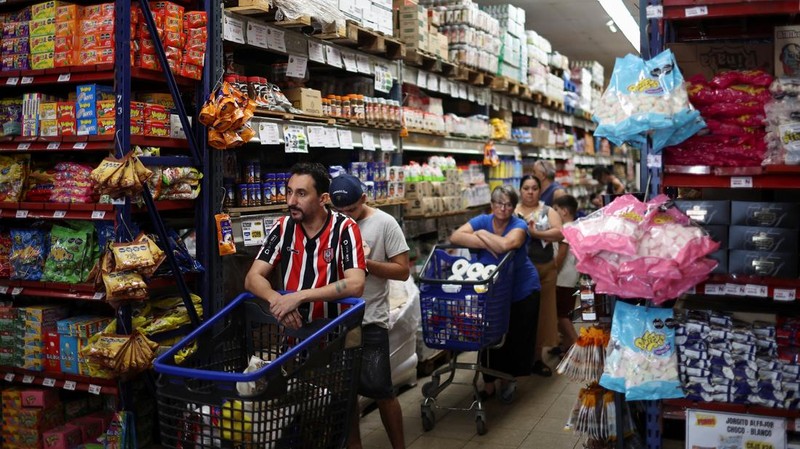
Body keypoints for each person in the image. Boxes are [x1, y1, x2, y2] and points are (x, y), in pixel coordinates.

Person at [329, 174, 409, 449]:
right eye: (340, 212)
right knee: (345, 395)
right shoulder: (331, 224)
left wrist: (366, 263)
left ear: (364, 199)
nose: (346, 217)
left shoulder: (385, 223)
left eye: (351, 210)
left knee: (381, 391)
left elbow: (402, 271)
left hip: (371, 319)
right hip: (337, 321)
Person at [244, 162, 366, 329]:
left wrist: (299, 297)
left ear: (323, 199)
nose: (291, 201)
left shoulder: (345, 228)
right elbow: (252, 278)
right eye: (289, 192)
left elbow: (356, 284)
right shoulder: (282, 227)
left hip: (332, 333)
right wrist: (278, 301)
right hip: (292, 333)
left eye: (301, 194)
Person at [449, 185, 541, 400]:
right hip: (491, 291)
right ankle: (488, 384)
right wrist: (484, 236)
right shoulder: (482, 221)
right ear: (491, 205)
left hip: (521, 290)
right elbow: (456, 237)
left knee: (513, 338)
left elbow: (507, 245)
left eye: (509, 204)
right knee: (489, 338)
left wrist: (482, 236)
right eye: (499, 203)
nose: (504, 208)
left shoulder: (519, 225)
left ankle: (508, 380)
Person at [515, 175, 562, 377]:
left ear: (540, 190)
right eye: (526, 188)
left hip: (544, 269)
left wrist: (536, 234)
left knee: (543, 315)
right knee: (521, 316)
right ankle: (518, 358)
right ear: (520, 190)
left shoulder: (547, 211)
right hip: (518, 273)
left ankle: (537, 358)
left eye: (534, 188)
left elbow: (560, 233)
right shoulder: (512, 211)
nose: (530, 192)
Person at [552, 195, 580, 356]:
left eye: (555, 210)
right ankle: (568, 346)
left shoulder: (566, 230)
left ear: (564, 211)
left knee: (561, 315)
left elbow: (561, 255)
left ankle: (577, 346)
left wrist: (552, 272)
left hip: (563, 278)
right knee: (564, 313)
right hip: (571, 276)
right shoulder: (575, 227)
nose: (553, 214)